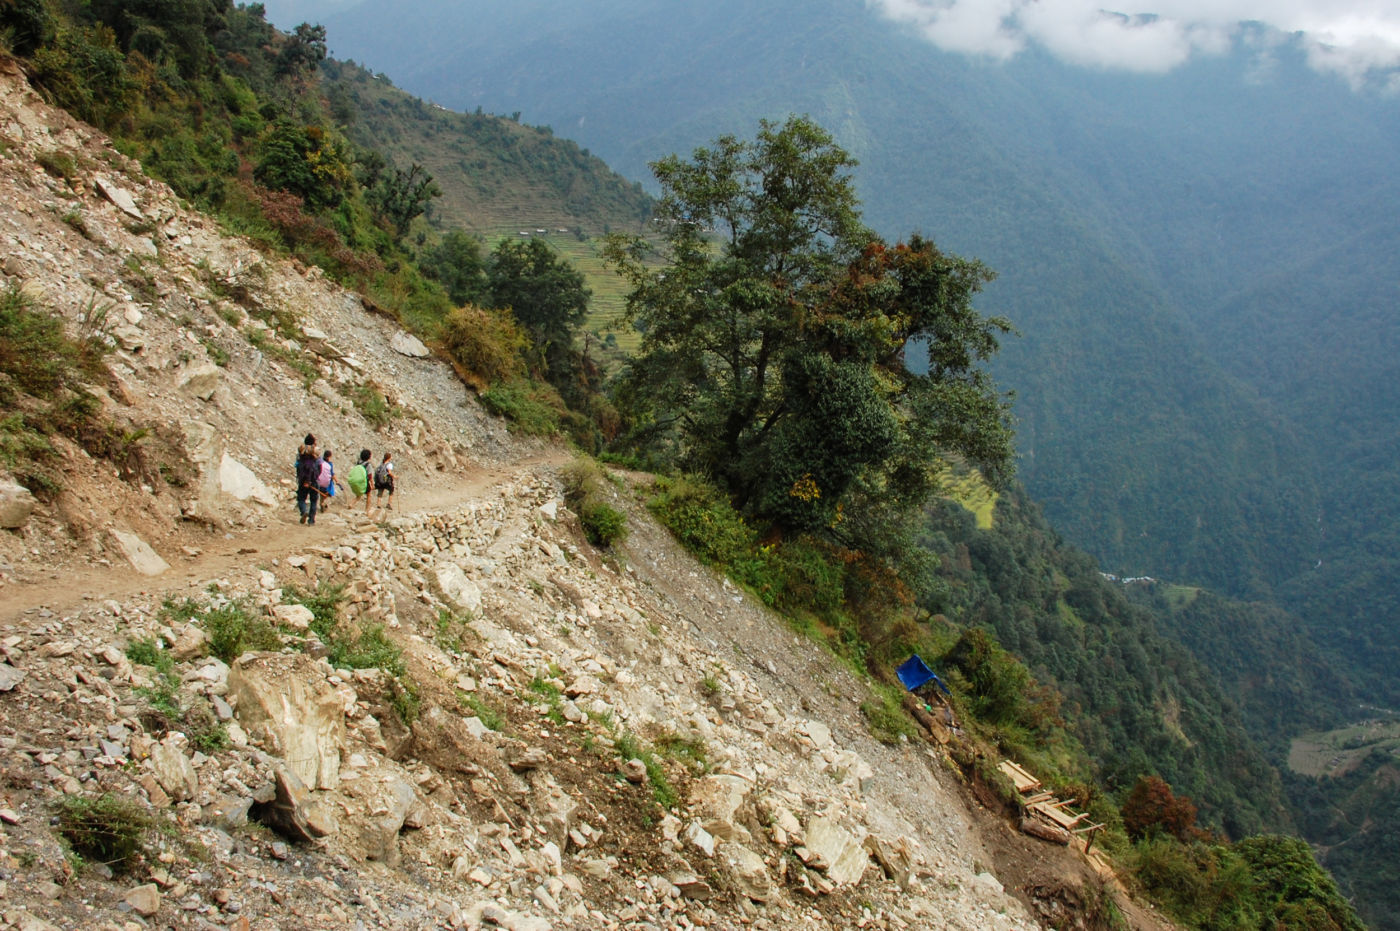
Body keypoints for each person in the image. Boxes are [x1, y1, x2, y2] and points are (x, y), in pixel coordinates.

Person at [295, 434, 321, 525]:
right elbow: (320, 467)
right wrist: (315, 477)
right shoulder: (316, 454)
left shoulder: (301, 453)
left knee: (301, 498)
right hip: (313, 480)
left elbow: (297, 466)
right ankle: (311, 520)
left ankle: (303, 511)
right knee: (313, 500)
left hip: (303, 480)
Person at [346, 448, 373, 515]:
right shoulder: (368, 465)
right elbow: (370, 476)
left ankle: (351, 504)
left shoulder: (359, 463)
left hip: (359, 481)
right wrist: (372, 484)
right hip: (365, 482)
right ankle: (367, 510)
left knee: (358, 495)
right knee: (369, 495)